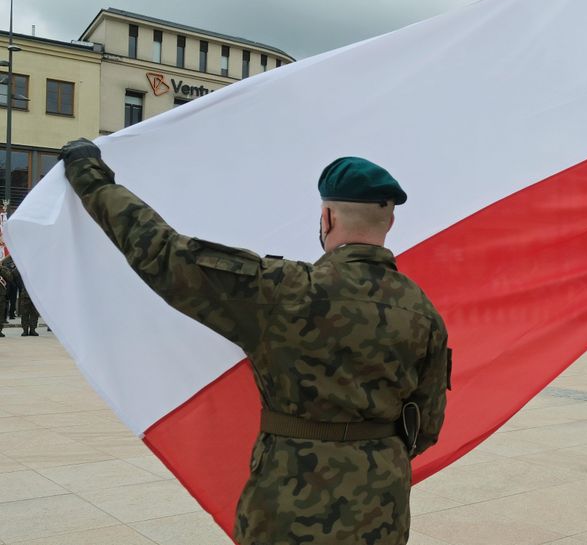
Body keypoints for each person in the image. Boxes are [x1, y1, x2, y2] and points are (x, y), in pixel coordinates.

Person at [59, 139, 450, 545]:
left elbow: (161, 251)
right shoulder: (423, 313)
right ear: (389, 222)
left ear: (328, 217)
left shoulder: (284, 290)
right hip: (381, 512)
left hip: (288, 509)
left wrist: (89, 174)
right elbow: (426, 425)